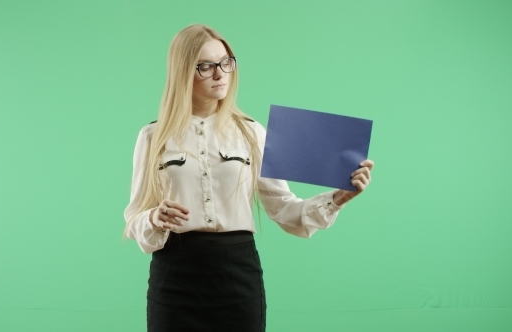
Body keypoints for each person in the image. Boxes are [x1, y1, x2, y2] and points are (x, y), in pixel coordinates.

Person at [124, 24, 374, 332]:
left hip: (237, 276)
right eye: (206, 66)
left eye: (226, 62)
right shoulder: (153, 136)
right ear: (182, 71)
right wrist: (154, 218)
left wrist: (338, 198)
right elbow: (134, 217)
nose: (220, 74)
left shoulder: (252, 132)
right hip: (174, 276)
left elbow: (284, 209)